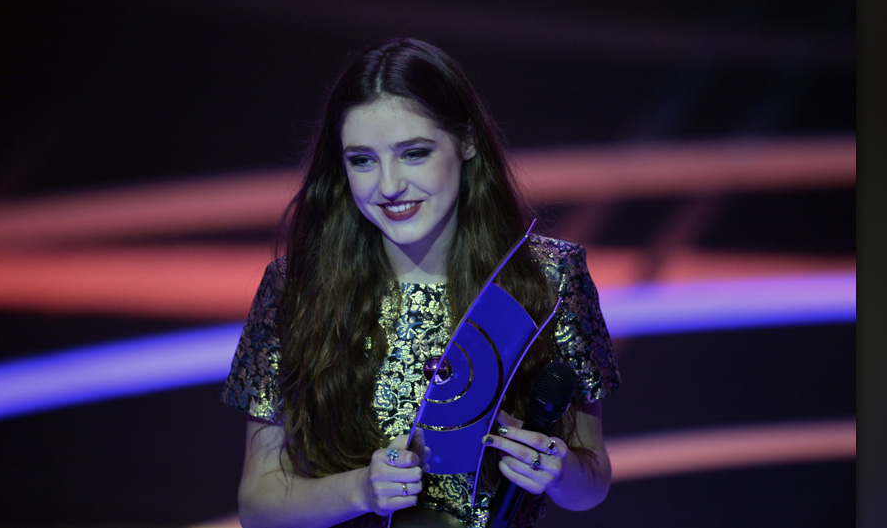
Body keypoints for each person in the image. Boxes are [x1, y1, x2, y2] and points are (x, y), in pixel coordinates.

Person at [221, 37, 621, 528]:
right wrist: (360, 490)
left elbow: (592, 481)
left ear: (467, 141)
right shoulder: (297, 288)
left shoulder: (548, 278)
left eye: (413, 153)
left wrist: (555, 471)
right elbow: (260, 506)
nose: (388, 186)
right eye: (362, 160)